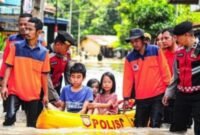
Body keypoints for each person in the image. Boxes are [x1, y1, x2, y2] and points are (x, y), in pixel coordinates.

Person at [0, 17, 50, 127]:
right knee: (9, 119)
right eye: (26, 28)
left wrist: (46, 95)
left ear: (39, 32)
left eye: (30, 29)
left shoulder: (44, 53)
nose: (26, 31)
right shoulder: (16, 47)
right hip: (14, 91)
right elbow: (8, 67)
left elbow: (44, 75)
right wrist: (4, 86)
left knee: (31, 125)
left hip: (33, 94)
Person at [123, 28, 171, 127]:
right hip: (141, 98)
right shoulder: (129, 58)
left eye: (136, 41)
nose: (134, 44)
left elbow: (165, 70)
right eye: (132, 42)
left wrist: (168, 90)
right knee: (139, 127)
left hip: (158, 96)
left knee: (155, 125)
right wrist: (126, 98)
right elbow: (127, 79)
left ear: (143, 40)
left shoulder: (156, 50)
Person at [162, 21, 200, 135]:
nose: (176, 39)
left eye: (177, 36)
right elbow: (175, 75)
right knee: (176, 129)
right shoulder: (179, 52)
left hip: (198, 95)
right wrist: (168, 93)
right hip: (182, 96)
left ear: (187, 35)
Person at [0, 13, 32, 114]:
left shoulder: (38, 42)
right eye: (20, 24)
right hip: (12, 84)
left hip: (29, 86)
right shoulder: (12, 40)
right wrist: (2, 82)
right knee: (9, 115)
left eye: (25, 24)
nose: (23, 27)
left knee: (29, 117)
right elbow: (5, 61)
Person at [50, 31, 76, 95]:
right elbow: (45, 78)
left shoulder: (67, 54)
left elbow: (67, 73)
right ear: (58, 45)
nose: (68, 50)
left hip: (57, 86)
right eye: (67, 48)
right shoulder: (47, 55)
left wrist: (71, 91)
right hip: (44, 88)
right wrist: (55, 98)